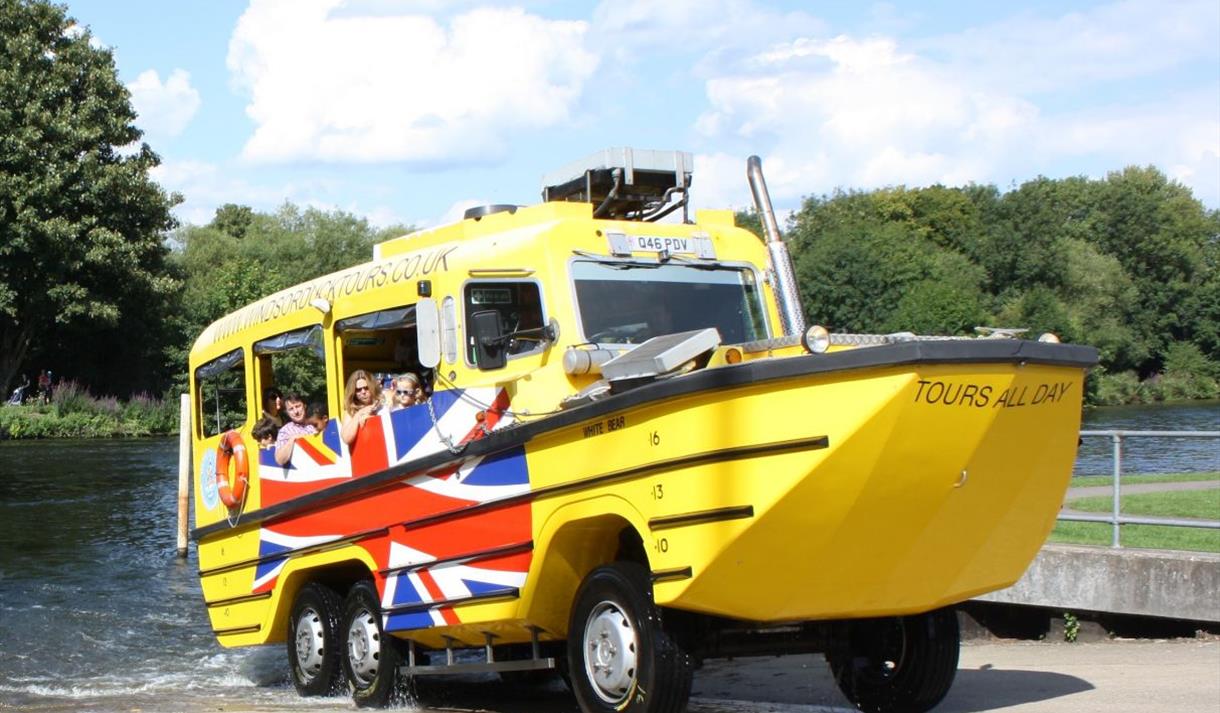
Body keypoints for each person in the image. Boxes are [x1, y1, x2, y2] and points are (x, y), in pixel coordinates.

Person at [340, 369, 381, 446]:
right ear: (353, 392)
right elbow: (346, 438)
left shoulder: (384, 404)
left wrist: (372, 419)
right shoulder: (351, 411)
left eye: (366, 388)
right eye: (358, 390)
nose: (363, 392)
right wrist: (359, 414)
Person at [274, 393, 317, 465]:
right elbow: (279, 460)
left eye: (298, 406)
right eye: (291, 409)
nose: (296, 412)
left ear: (304, 405)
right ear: (287, 413)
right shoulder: (285, 431)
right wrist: (293, 439)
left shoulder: (316, 424)